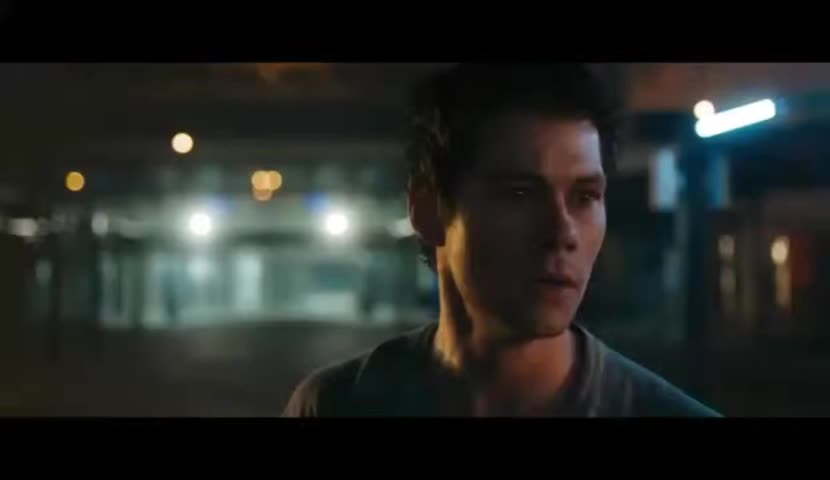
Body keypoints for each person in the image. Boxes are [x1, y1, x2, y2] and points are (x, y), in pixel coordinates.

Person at [283, 63, 720, 417]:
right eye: (520, 193)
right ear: (428, 210)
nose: (562, 233)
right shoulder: (336, 405)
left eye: (585, 197)